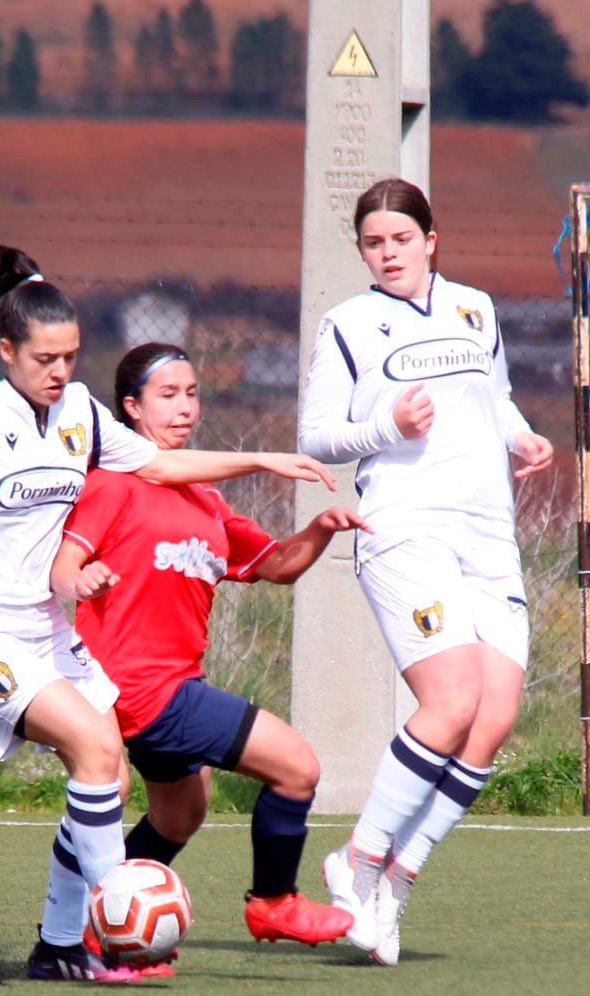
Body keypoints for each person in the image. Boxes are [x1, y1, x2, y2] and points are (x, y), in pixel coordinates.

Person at [0, 246, 335, 984]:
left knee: (108, 777)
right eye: (44, 357)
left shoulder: (82, 412)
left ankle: (57, 947)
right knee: (93, 749)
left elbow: (157, 464)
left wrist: (262, 461)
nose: (58, 370)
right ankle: (113, 938)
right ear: (6, 352)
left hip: (43, 632)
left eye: (70, 355)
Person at [297, 178, 556, 966]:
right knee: (450, 701)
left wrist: (521, 436)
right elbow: (315, 435)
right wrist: (386, 424)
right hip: (403, 527)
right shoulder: (347, 324)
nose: (387, 254)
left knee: (493, 717)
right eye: (373, 244)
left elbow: (495, 398)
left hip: (486, 531)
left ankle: (396, 882)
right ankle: (359, 858)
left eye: (399, 240)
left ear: (430, 239)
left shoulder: (475, 307)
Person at [50, 342, 367, 949]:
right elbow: (66, 566)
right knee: (297, 766)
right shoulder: (113, 485)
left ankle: (100, 921)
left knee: (180, 814)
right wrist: (78, 579)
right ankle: (274, 903)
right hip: (141, 690)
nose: (184, 408)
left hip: (174, 686)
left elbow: (277, 566)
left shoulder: (206, 500)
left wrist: (322, 529)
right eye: (167, 395)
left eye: (191, 393)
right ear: (131, 409)